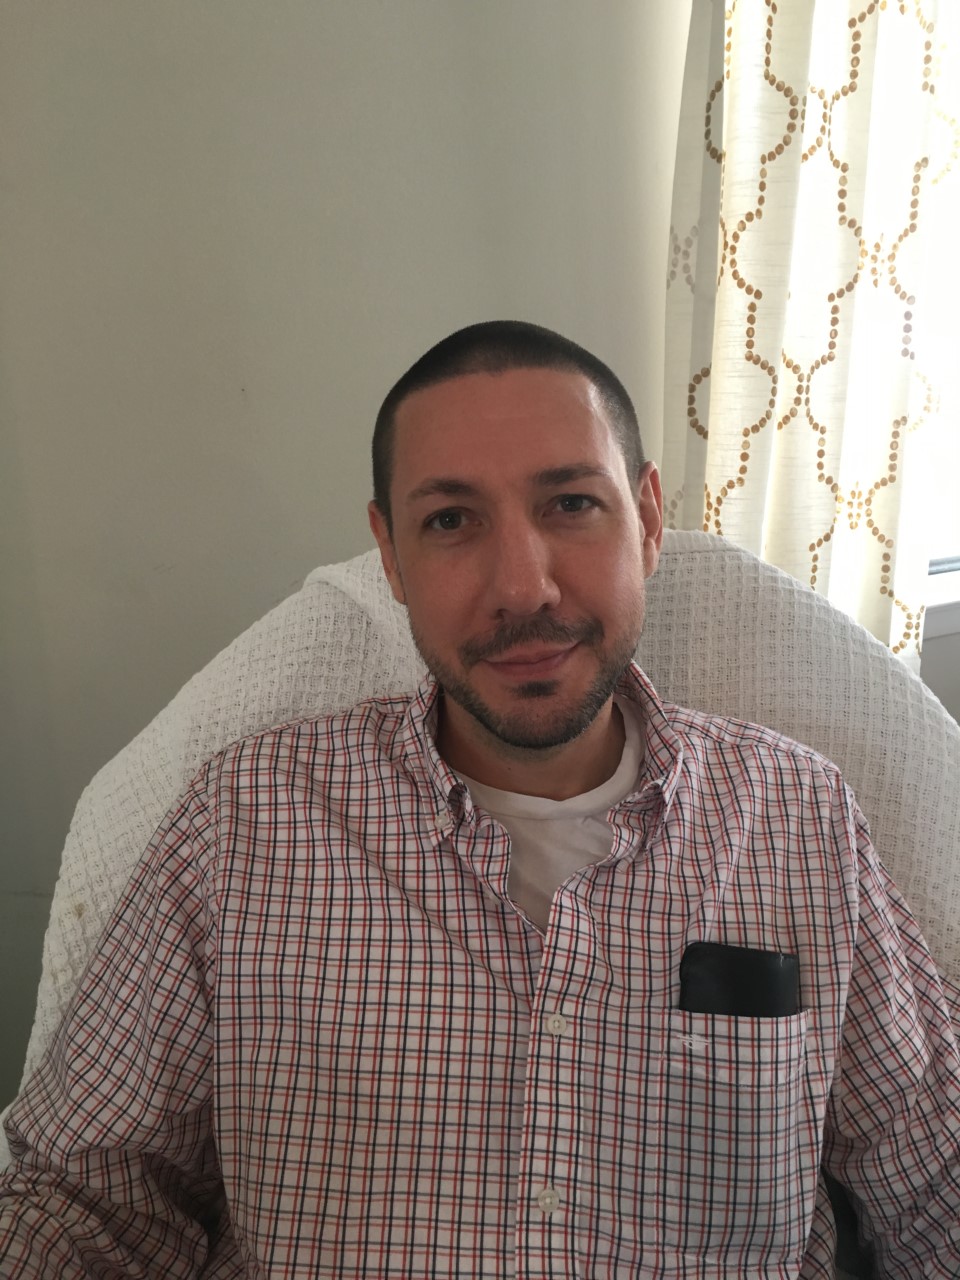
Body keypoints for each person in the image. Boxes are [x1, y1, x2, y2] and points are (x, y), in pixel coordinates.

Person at [1, 320, 958, 1279]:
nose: (523, 588)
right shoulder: (244, 822)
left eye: (572, 503)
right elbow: (83, 1197)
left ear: (648, 518)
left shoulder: (799, 817)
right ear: (390, 555)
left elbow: (935, 1180)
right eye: (452, 521)